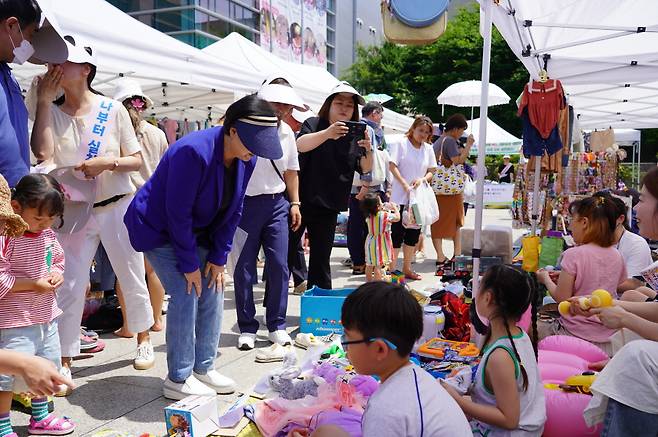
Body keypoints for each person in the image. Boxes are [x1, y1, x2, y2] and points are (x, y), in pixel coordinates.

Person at [123, 94, 283, 400]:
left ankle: (204, 368)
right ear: (233, 130)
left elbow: (234, 208)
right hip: (158, 229)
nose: (257, 151)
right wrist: (189, 265)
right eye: (254, 142)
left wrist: (219, 257)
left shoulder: (248, 156)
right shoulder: (191, 151)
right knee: (187, 290)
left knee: (214, 286)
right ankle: (178, 377)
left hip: (200, 230)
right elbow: (176, 213)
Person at [29, 38, 155, 385]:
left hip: (116, 205)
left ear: (85, 69)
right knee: (70, 283)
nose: (56, 67)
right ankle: (65, 355)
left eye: (64, 62)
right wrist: (42, 102)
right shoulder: (50, 110)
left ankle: (143, 338)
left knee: (130, 274)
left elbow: (136, 160)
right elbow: (41, 153)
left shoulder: (112, 110)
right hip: (72, 210)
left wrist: (107, 163)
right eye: (52, 62)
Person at [575, 167, 658, 436]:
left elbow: (631, 287)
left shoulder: (633, 245)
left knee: (635, 358)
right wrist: (616, 305)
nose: (638, 209)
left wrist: (621, 315)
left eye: (643, 200)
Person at [338, 282, 472, 436]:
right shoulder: (418, 378)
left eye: (347, 339)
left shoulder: (385, 409)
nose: (345, 348)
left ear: (380, 349)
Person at [0, 174, 76, 435]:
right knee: (5, 379)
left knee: (46, 367)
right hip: (13, 320)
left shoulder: (47, 234)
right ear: (17, 207)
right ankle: (2, 425)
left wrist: (57, 273)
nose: (44, 225)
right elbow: (0, 278)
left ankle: (41, 417)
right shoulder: (7, 235)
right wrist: (34, 284)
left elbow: (56, 259)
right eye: (38, 218)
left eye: (50, 219)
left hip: (45, 315)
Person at [233, 77, 304, 350]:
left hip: (277, 204)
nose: (281, 109)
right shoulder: (243, 126)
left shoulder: (288, 132)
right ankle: (247, 327)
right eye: (277, 103)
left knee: (279, 265)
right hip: (245, 205)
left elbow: (291, 172)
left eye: (286, 106)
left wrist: (295, 203)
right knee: (244, 268)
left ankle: (277, 324)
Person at [443, 265, 546, 436]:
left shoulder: (500, 357)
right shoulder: (519, 335)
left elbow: (509, 420)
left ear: (488, 298)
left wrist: (458, 400)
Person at [293, 81, 373, 290]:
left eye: (349, 105)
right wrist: (328, 133)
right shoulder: (314, 123)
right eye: (339, 103)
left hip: (329, 203)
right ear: (328, 104)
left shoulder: (355, 135)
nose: (344, 108)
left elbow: (365, 169)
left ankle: (318, 307)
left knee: (321, 259)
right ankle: (279, 304)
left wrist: (368, 150)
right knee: (286, 251)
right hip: (299, 200)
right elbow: (300, 146)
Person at [536, 195, 627, 355]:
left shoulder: (573, 254)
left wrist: (546, 279)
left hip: (574, 335)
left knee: (534, 329)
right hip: (609, 338)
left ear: (584, 222)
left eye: (572, 220)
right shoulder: (616, 255)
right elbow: (613, 283)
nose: (570, 226)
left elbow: (562, 299)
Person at [112, 79, 168, 336]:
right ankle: (156, 320)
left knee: (126, 271)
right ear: (142, 105)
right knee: (151, 270)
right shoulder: (157, 134)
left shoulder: (117, 134)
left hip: (125, 204)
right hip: (154, 205)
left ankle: (129, 326)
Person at [0, 0, 67, 187]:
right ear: (12, 25)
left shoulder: (8, 76)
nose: (29, 44)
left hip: (14, 197)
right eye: (29, 35)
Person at [389, 116, 437, 280]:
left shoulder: (428, 149)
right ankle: (392, 269)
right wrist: (403, 184)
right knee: (396, 233)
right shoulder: (401, 144)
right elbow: (392, 165)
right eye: (421, 130)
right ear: (413, 128)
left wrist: (423, 179)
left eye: (427, 132)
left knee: (413, 234)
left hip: (417, 199)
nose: (423, 134)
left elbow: (432, 170)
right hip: (399, 196)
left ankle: (407, 268)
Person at [347, 101, 388, 275]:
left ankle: (359, 262)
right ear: (375, 113)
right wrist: (366, 184)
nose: (381, 118)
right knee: (369, 225)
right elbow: (367, 157)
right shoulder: (368, 129)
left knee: (356, 224)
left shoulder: (356, 127)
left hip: (356, 183)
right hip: (367, 185)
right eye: (381, 114)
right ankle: (366, 261)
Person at [431, 114, 473, 274]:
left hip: (439, 188)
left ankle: (443, 255)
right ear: (455, 128)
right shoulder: (448, 141)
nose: (461, 133)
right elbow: (458, 161)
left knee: (438, 222)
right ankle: (454, 254)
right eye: (461, 130)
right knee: (455, 221)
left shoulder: (438, 141)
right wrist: (468, 146)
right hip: (451, 190)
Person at [592, 191, 652, 296]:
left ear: (620, 219)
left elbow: (634, 284)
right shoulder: (594, 242)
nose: (596, 224)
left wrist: (586, 281)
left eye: (603, 219)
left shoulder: (637, 244)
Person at [360, 194, 399, 282]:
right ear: (377, 206)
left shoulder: (368, 215)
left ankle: (369, 283)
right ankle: (377, 284)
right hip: (380, 243)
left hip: (370, 242)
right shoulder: (385, 215)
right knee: (378, 266)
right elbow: (397, 218)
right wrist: (395, 208)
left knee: (369, 264)